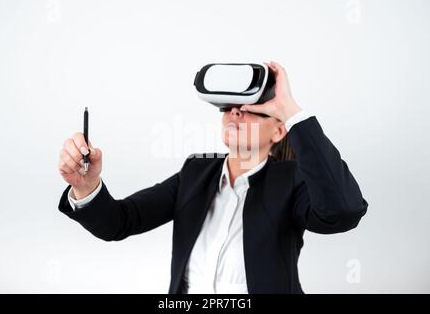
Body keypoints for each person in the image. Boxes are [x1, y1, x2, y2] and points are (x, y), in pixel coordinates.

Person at [57, 61, 368, 294]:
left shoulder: (292, 181)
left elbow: (343, 211)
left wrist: (290, 109)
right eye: (229, 107)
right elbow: (121, 221)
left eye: (251, 108)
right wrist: (86, 187)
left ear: (278, 129)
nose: (235, 113)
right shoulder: (196, 171)